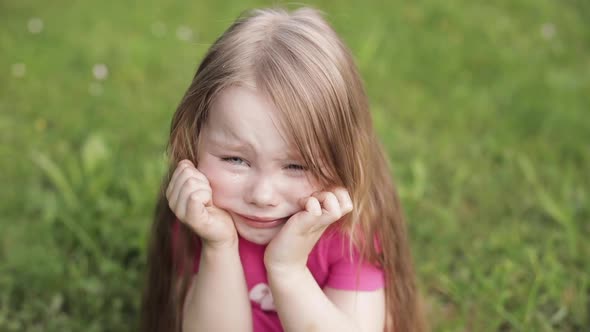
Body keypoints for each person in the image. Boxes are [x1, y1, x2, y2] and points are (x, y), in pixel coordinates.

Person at [140, 6, 425, 332]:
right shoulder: (203, 212)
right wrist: (219, 246)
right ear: (194, 138)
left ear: (344, 157)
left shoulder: (349, 230)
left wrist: (287, 269)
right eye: (235, 160)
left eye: (296, 165)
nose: (262, 196)